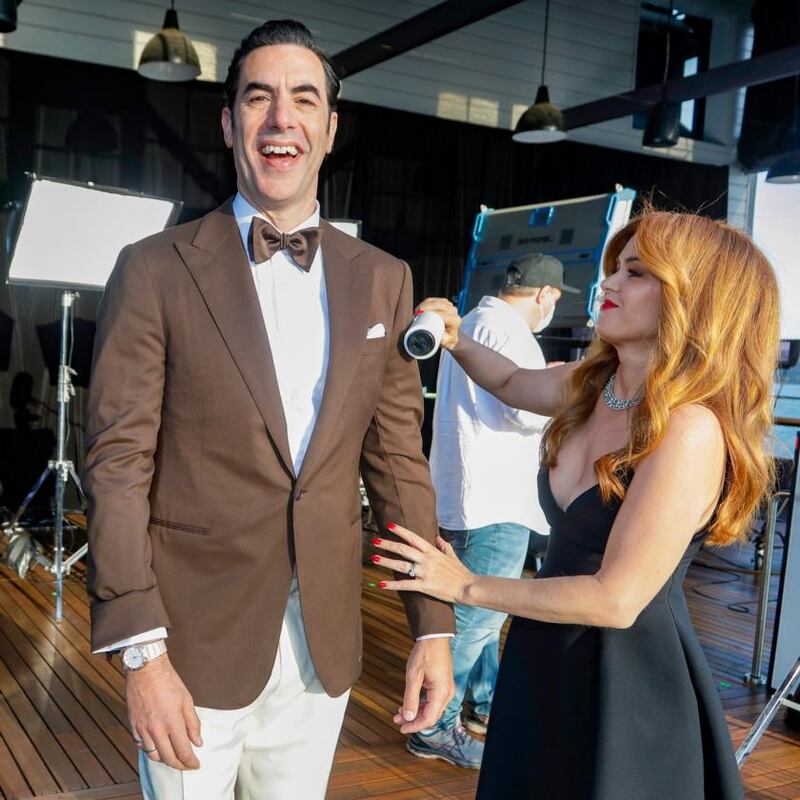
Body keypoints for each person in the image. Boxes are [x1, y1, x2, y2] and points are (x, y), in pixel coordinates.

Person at [84, 19, 455, 800]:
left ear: (330, 129)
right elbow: (118, 464)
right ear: (229, 124)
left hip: (323, 646)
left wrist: (433, 625)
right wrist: (142, 655)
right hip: (189, 644)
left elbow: (397, 462)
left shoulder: (384, 278)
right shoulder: (152, 269)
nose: (282, 118)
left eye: (304, 99)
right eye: (259, 98)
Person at [373, 210, 779, 799]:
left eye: (635, 273)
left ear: (696, 300)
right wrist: (456, 339)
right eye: (616, 268)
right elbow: (509, 382)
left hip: (625, 685)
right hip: (544, 656)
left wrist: (463, 585)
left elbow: (615, 599)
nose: (607, 282)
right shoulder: (596, 387)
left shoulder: (689, 429)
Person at [407, 254, 576, 769]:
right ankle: (433, 726)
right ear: (546, 295)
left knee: (480, 618)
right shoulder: (508, 330)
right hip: (497, 499)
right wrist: (555, 385)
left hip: (465, 494)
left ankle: (484, 704)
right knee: (476, 620)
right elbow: (523, 409)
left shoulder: (474, 322)